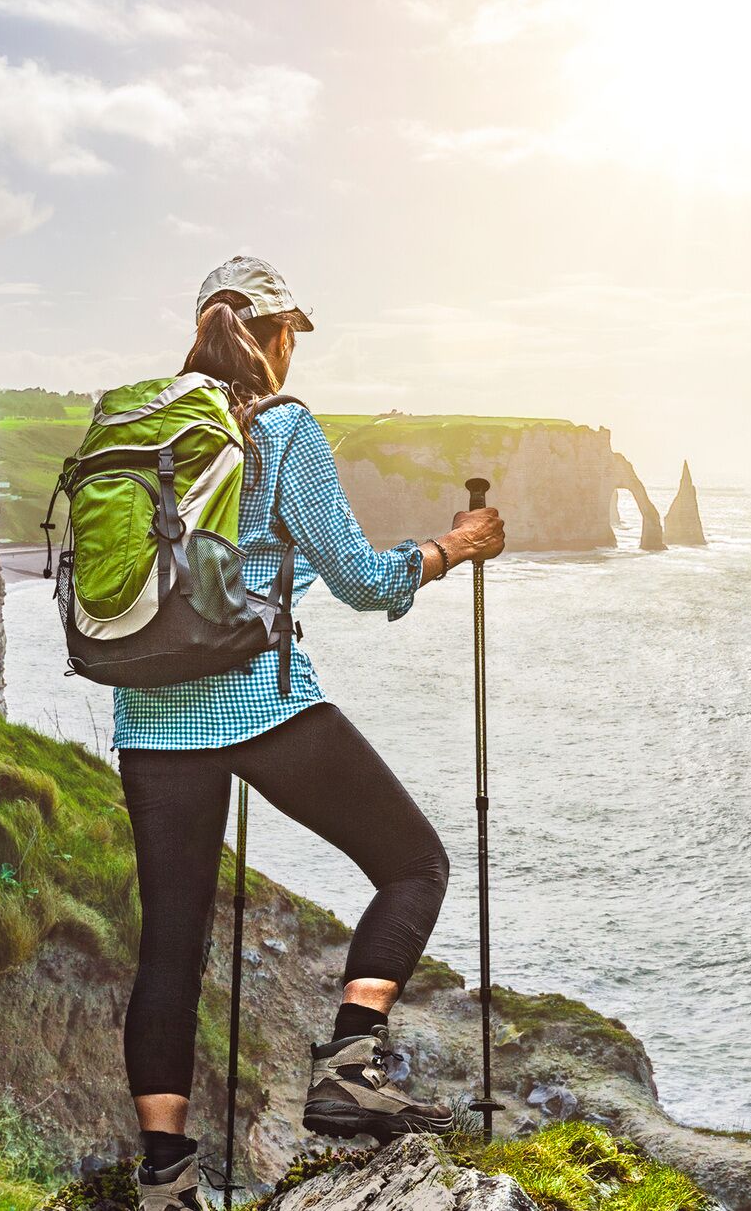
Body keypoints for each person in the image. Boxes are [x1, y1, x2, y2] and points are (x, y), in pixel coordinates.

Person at [114, 255, 506, 1209]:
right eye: (294, 333)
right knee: (415, 864)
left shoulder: (142, 426)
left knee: (169, 947)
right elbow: (364, 579)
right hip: (258, 702)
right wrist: (451, 548)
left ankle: (164, 1181)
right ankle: (349, 1065)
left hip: (149, 712)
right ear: (276, 336)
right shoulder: (282, 428)